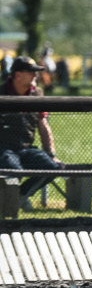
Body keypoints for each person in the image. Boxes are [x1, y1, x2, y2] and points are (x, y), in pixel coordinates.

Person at [0, 56, 63, 209]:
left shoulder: (38, 94)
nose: (36, 75)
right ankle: (8, 201)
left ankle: (20, 195)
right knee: (14, 170)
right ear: (18, 75)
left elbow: (43, 125)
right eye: (31, 72)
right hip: (4, 149)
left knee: (54, 168)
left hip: (25, 148)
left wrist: (52, 155)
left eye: (37, 72)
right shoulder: (1, 93)